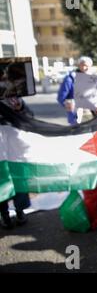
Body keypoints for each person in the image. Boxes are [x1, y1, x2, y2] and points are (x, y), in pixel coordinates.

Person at [0, 98, 33, 229]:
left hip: (15, 149)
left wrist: (20, 108)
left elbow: (30, 118)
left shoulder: (15, 97)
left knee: (19, 181)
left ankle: (19, 212)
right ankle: (5, 216)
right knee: (1, 183)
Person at [57, 56, 93, 125]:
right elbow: (61, 97)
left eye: (89, 66)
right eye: (84, 65)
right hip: (76, 117)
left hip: (92, 116)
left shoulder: (92, 78)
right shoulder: (69, 79)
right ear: (79, 66)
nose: (87, 68)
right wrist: (68, 104)